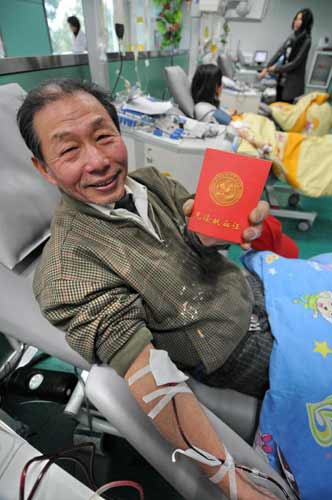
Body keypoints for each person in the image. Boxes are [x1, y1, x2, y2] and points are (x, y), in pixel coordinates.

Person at [17, 78, 281, 500]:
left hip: (255, 291)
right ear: (43, 168)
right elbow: (151, 377)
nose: (99, 161)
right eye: (69, 150)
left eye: (104, 137)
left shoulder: (151, 182)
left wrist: (215, 231)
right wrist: (240, 488)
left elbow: (195, 234)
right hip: (236, 347)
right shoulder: (68, 272)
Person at [258, 9, 314, 103]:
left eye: (300, 19)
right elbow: (280, 52)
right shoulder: (292, 36)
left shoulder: (306, 40)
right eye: (296, 18)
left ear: (306, 22)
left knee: (285, 109)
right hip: (282, 80)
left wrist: (276, 69)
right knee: (277, 104)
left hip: (292, 83)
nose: (296, 22)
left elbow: (295, 63)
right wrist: (266, 67)